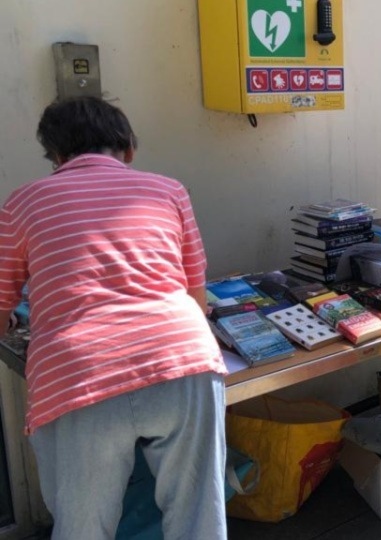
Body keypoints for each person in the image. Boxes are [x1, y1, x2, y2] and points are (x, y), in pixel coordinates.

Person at [0, 97, 228, 539]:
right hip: (183, 361)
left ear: (57, 158)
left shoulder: (21, 204)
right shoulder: (168, 190)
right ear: (128, 150)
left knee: (83, 525)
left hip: (78, 376)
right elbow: (195, 293)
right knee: (199, 517)